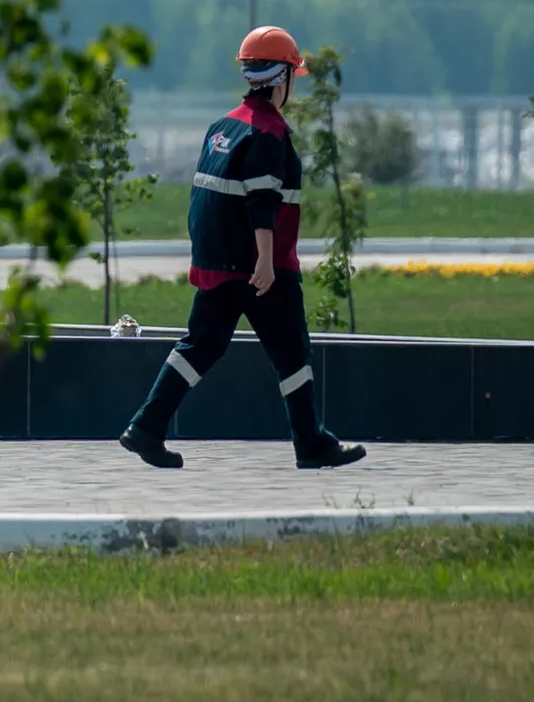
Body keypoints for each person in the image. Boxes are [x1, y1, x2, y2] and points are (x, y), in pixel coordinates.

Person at [119, 25, 367, 471]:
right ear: (283, 77)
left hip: (218, 265)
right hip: (258, 268)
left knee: (200, 345)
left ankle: (146, 427)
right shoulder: (268, 133)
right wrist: (268, 262)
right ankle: (311, 444)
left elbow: (205, 201)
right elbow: (262, 202)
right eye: (294, 73)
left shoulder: (222, 128)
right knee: (293, 353)